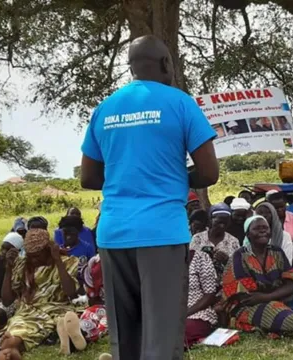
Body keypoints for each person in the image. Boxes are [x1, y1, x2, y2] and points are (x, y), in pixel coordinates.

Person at [79, 35, 219, 360]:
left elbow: (88, 177)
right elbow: (209, 173)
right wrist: (175, 178)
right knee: (161, 338)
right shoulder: (181, 102)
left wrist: (125, 177)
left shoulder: (105, 108)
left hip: (113, 235)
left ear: (131, 68)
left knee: (124, 338)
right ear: (167, 63)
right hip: (161, 234)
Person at [220, 216, 293, 348]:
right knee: (273, 309)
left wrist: (268, 296)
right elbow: (248, 295)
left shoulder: (277, 252)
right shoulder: (239, 256)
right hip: (247, 305)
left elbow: (291, 283)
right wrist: (272, 296)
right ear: (248, 234)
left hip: (277, 297)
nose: (262, 231)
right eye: (257, 228)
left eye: (265, 228)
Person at [0, 229, 80, 359]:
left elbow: (71, 292)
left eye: (37, 256)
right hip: (27, 312)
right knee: (16, 334)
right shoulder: (23, 265)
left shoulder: (67, 262)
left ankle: (11, 346)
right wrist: (8, 270)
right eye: (30, 256)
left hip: (56, 309)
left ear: (48, 250)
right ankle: (11, 347)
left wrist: (58, 261)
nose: (33, 260)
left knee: (22, 335)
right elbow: (7, 301)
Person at [190, 203, 240, 278]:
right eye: (219, 222)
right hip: (200, 281)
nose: (222, 226)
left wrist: (227, 261)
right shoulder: (198, 238)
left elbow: (238, 267)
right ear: (210, 220)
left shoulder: (233, 241)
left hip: (225, 283)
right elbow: (190, 263)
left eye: (225, 223)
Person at [184, 249, 218, 348]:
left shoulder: (201, 258)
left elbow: (209, 295)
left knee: (183, 329)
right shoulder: (161, 260)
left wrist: (184, 314)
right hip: (169, 313)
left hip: (196, 312)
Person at [0, 232, 24, 306]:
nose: (4, 251)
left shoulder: (20, 267)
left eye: (8, 249)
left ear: (16, 251)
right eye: (3, 247)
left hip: (11, 303)